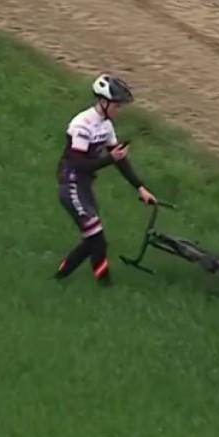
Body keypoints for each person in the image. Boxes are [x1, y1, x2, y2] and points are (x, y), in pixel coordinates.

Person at [55, 74, 157, 286]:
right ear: (103, 102)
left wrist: (140, 187)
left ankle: (60, 277)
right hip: (72, 185)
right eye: (117, 106)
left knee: (92, 240)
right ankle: (105, 286)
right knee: (98, 240)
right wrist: (110, 159)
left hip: (84, 186)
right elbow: (78, 165)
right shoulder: (82, 125)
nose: (119, 111)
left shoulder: (106, 126)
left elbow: (120, 160)